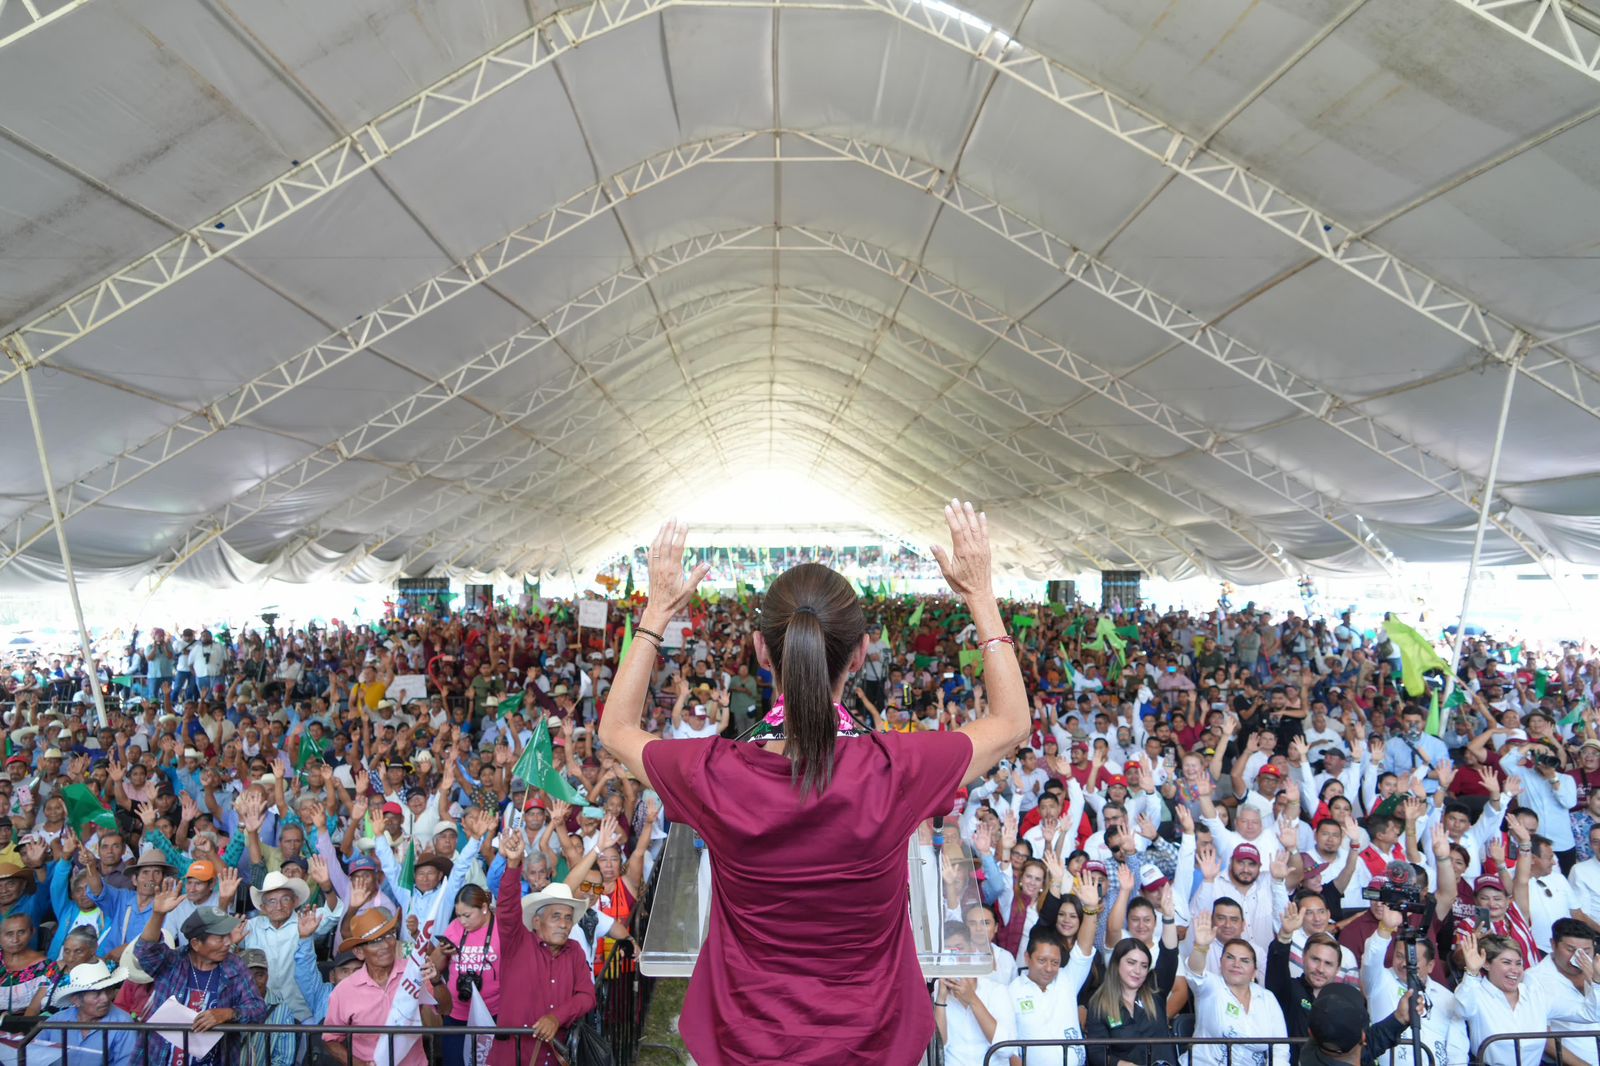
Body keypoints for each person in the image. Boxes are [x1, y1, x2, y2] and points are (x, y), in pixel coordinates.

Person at [599, 506, 1030, 1064]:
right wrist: (980, 595)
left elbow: (614, 730)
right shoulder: (892, 769)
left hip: (748, 1043)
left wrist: (656, 614)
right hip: (867, 1044)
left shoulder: (718, 773)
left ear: (760, 651)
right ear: (860, 654)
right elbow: (1013, 723)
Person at [491, 832, 595, 1066]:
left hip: (556, 1057)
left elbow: (587, 996)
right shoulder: (517, 942)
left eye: (568, 918)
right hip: (514, 1057)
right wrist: (514, 864)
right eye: (556, 916)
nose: (563, 924)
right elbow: (507, 908)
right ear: (537, 921)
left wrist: (556, 1018)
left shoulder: (575, 950)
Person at [134, 887, 269, 1066]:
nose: (228, 942)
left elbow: (258, 1009)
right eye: (220, 938)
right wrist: (158, 914)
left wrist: (229, 1014)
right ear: (196, 943)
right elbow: (144, 952)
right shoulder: (172, 962)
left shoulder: (235, 966)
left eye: (228, 936)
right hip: (162, 1058)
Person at [323, 908, 448, 1066]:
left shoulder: (414, 972)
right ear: (359, 952)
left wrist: (437, 981)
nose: (385, 945)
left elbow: (445, 1011)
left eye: (388, 936)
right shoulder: (344, 991)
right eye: (375, 941)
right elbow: (331, 1039)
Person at [1457, 932, 1595, 1066]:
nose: (1515, 970)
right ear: (1486, 964)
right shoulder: (1476, 993)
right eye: (1506, 962)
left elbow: (1589, 1014)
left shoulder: (1536, 995)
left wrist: (1597, 982)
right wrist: (1472, 972)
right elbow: (1462, 1010)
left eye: (1518, 963)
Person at [1004, 881, 1102, 1066]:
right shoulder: (1012, 991)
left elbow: (1083, 949)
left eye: (1055, 962)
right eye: (1042, 961)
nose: (1049, 968)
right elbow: (1011, 1049)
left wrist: (1090, 909)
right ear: (1027, 958)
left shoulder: (1067, 978)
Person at [1184, 912, 1289, 1066]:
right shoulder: (1210, 987)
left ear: (1254, 971)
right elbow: (1195, 972)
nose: (1236, 964)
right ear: (1221, 963)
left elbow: (1280, 1050)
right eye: (1230, 957)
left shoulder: (1267, 998)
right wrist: (1201, 947)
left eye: (1245, 961)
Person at [1082, 936, 1180, 1066]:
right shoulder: (1099, 1004)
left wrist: (1168, 918)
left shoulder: (1154, 991)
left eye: (1144, 966)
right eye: (1131, 962)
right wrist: (1123, 1064)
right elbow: (1097, 1053)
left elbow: (1169, 956)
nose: (1137, 971)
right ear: (1116, 964)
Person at [28, 959, 139, 1066]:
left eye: (108, 990)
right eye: (96, 993)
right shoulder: (56, 1021)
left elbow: (126, 1062)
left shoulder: (123, 1023)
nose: (105, 998)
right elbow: (33, 1057)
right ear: (76, 1000)